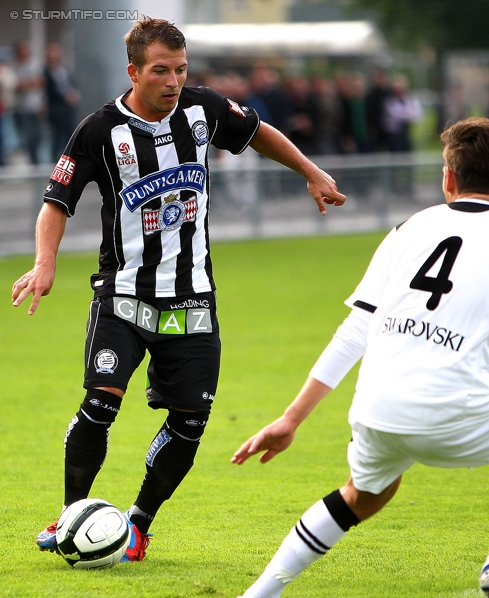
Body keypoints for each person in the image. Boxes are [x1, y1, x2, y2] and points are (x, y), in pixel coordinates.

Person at [227, 117, 489, 598]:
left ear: (448, 178)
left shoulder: (409, 227)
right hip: (455, 407)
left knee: (365, 494)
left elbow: (354, 331)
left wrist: (290, 419)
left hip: (376, 406)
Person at [11, 17, 345, 563]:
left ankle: (138, 525)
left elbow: (258, 132)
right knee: (100, 403)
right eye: (161, 71)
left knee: (190, 420)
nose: (172, 81)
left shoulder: (203, 109)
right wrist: (44, 263)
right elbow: (57, 202)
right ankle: (72, 517)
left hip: (191, 298)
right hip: (123, 295)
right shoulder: (98, 131)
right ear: (134, 73)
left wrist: (310, 171)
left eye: (180, 70)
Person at [44, 42, 80, 162]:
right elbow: (50, 90)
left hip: (68, 108)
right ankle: (55, 160)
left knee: (71, 133)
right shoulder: (46, 72)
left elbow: (71, 83)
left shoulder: (63, 69)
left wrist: (73, 94)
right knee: (58, 136)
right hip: (56, 107)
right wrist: (64, 97)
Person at [11, 41, 45, 164]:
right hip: (21, 109)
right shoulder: (14, 66)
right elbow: (17, 85)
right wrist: (31, 83)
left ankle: (36, 161)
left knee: (37, 137)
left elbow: (41, 82)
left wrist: (27, 83)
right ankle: (31, 162)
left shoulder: (34, 64)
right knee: (26, 137)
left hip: (35, 107)